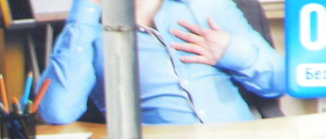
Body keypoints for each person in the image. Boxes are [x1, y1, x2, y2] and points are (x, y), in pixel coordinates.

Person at [36, 0, 284, 126]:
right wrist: (84, 11)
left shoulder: (206, 6)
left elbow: (279, 81)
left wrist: (231, 50)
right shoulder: (89, 31)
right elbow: (57, 111)